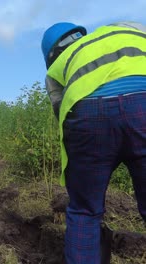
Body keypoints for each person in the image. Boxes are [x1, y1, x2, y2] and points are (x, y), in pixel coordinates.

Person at [41, 21, 146, 263]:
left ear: (51, 53)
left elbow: (61, 113)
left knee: (84, 211)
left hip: (89, 115)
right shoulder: (123, 30)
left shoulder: (58, 65)